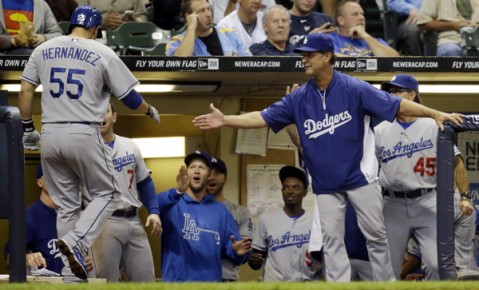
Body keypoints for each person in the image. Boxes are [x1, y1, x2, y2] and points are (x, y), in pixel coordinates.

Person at [193, 32, 463, 282]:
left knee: (377, 237)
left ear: (327, 56)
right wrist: (226, 119)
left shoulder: (354, 88)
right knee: (332, 240)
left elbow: (397, 104)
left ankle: (385, 285)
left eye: (310, 54)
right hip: (325, 183)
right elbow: (262, 116)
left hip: (360, 177)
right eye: (303, 54)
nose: (304, 59)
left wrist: (433, 113)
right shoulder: (298, 98)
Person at [18, 5, 161, 281]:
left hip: (49, 133)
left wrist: (27, 128)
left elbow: (25, 89)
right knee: (109, 193)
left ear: (70, 25)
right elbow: (130, 98)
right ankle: (76, 242)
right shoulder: (102, 51)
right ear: (96, 29)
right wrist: (148, 110)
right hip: (83, 131)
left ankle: (71, 276)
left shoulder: (43, 48)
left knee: (67, 206)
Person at [376, 74, 475, 280]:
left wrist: (465, 196)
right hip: (391, 204)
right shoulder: (379, 129)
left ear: (412, 95)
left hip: (427, 201)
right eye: (389, 92)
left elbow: (457, 164)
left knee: (437, 265)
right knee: (388, 270)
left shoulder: (434, 125)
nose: (391, 95)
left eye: (397, 91)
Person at [86, 102, 162, 282]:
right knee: (107, 282)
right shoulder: (82, 151)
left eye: (105, 111)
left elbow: (145, 181)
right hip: (104, 222)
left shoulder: (130, 146)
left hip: (134, 220)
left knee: (146, 280)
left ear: (114, 117)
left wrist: (154, 212)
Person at [157, 150, 252, 282]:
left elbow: (234, 250)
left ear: (208, 176)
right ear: (186, 173)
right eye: (192, 167)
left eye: (201, 167)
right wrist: (177, 191)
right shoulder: (173, 204)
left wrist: (237, 252)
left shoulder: (220, 211)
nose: (196, 171)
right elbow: (154, 205)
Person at [248, 165, 319, 281]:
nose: (290, 191)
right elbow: (255, 263)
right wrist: (252, 260)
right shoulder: (266, 219)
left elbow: (323, 258)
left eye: (296, 187)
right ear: (282, 191)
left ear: (305, 192)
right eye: (286, 187)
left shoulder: (314, 222)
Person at [4, 164, 63, 275]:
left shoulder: (73, 214)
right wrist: (26, 258)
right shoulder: (28, 216)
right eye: (50, 175)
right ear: (39, 182)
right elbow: (8, 260)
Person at [208, 157, 253, 282]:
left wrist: (235, 250)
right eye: (208, 172)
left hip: (227, 280)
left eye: (217, 173)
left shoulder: (241, 212)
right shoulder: (193, 211)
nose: (211, 177)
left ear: (225, 179)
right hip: (199, 280)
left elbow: (245, 250)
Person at [166, 0, 250, 56]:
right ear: (189, 17)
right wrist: (191, 27)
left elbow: (249, 64)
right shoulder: (176, 42)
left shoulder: (230, 34)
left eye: (209, 9)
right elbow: (180, 65)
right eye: (202, 11)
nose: (209, 14)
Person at [328, 0, 400, 56]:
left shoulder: (375, 41)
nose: (362, 18)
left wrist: (365, 36)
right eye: (355, 14)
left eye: (362, 14)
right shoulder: (331, 40)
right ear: (341, 21)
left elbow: (394, 59)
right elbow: (333, 58)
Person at [77, 0, 148, 30]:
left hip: (128, 38)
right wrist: (100, 21)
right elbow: (79, 18)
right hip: (95, 38)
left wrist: (134, 22)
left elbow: (143, 17)